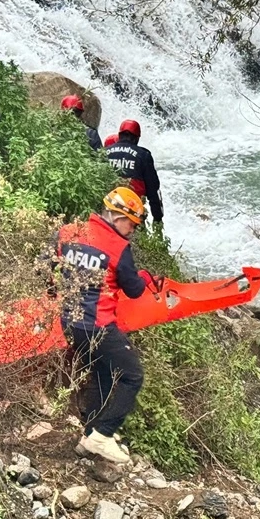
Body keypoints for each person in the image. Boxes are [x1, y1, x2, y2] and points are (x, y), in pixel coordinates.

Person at [52, 187, 162, 464]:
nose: (134, 230)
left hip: (69, 322)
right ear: (116, 216)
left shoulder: (69, 231)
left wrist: (56, 295)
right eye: (132, 223)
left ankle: (90, 436)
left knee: (103, 373)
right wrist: (145, 277)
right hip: (97, 325)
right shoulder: (117, 247)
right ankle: (103, 434)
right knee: (132, 375)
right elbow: (135, 290)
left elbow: (46, 266)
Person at [106, 119, 164, 226]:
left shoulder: (105, 152)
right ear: (137, 138)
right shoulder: (143, 155)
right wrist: (157, 219)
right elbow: (153, 189)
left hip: (108, 209)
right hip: (133, 211)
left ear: (120, 135)